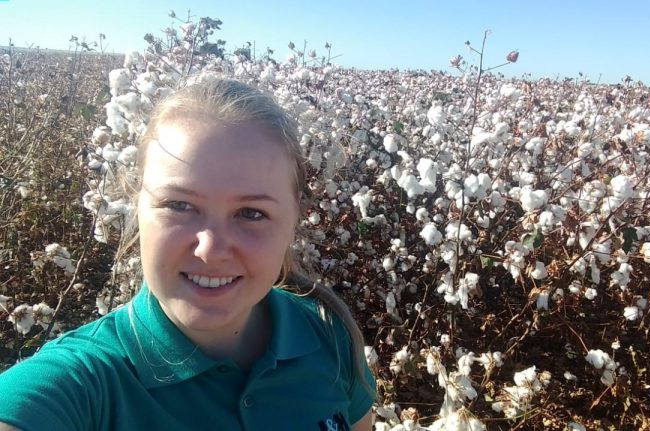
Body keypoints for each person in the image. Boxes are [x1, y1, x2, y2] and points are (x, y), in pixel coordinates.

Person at [0, 78, 376, 430]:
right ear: (136, 207)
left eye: (251, 213)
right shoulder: (84, 384)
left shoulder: (328, 334)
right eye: (179, 205)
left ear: (295, 220)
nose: (210, 249)